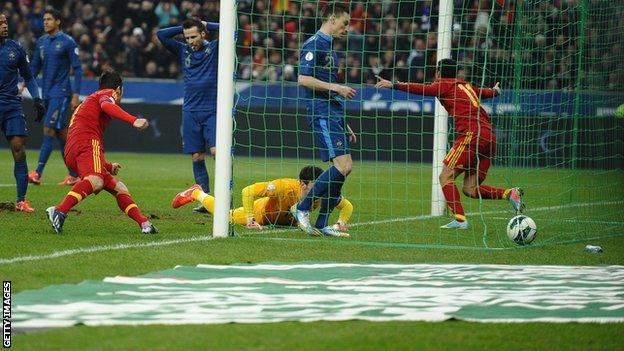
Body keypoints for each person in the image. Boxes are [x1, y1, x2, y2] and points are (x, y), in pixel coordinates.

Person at [376, 58, 524, 229]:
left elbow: (422, 89)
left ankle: (460, 220)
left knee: (445, 176)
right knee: (471, 189)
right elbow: (484, 92)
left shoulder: (443, 84)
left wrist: (393, 85)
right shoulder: (466, 85)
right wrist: (495, 91)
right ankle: (510, 193)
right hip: (489, 137)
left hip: (471, 135)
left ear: (439, 72)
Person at [45, 71, 157, 234]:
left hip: (74, 149)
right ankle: (59, 210)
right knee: (96, 181)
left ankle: (144, 223)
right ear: (119, 89)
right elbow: (106, 105)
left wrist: (107, 166)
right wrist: (134, 120)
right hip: (87, 143)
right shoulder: (107, 94)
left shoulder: (91, 99)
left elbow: (88, 153)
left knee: (118, 187)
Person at [293, 3, 357, 237]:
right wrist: (337, 88)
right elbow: (302, 78)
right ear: (332, 18)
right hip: (320, 111)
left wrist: (343, 120)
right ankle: (300, 208)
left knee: (345, 168)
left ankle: (321, 223)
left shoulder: (331, 48)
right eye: (345, 23)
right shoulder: (314, 44)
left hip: (333, 112)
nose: (347, 28)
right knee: (342, 166)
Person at [171, 166, 353, 236]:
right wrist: (250, 219)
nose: (318, 190)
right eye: (314, 186)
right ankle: (197, 193)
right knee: (228, 217)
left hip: (283, 221)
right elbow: (248, 191)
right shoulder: (283, 187)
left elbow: (347, 206)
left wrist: (341, 222)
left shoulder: (323, 192)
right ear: (302, 184)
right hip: (261, 214)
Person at [157, 18, 219, 214]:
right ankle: (205, 199)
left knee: (217, 153)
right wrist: (183, 28)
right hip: (190, 110)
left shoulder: (215, 48)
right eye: (187, 37)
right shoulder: (183, 50)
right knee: (197, 155)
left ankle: (225, 197)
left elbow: (235, 32)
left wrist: (207, 24)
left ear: (203, 33)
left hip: (212, 109)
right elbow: (161, 35)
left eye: (194, 36)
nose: (191, 40)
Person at [27, 8, 82, 186]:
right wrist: (23, 84)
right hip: (47, 93)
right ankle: (75, 173)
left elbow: (78, 68)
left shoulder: (67, 42)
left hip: (62, 92)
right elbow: (34, 67)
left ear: (58, 21)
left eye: (49, 19)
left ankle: (37, 173)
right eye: (44, 19)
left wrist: (76, 94)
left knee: (48, 130)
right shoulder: (42, 42)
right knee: (60, 134)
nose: (45, 22)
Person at [0, 13, 45, 213]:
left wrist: (37, 98)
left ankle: (21, 201)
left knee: (19, 150)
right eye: (0, 23)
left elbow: (29, 76)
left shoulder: (15, 48)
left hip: (11, 105)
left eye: (5, 22)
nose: (4, 26)